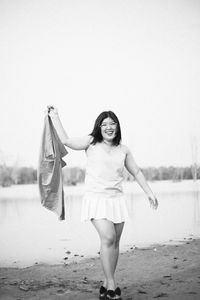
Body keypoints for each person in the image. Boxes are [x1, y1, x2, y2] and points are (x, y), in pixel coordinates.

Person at [47, 106, 158, 300]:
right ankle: (112, 285)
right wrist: (55, 117)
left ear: (117, 127)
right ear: (99, 127)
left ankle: (107, 282)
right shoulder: (91, 142)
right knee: (107, 238)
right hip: (96, 199)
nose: (109, 127)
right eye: (104, 124)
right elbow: (66, 141)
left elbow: (137, 172)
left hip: (117, 200)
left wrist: (149, 192)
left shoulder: (123, 149)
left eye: (112, 123)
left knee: (114, 243)